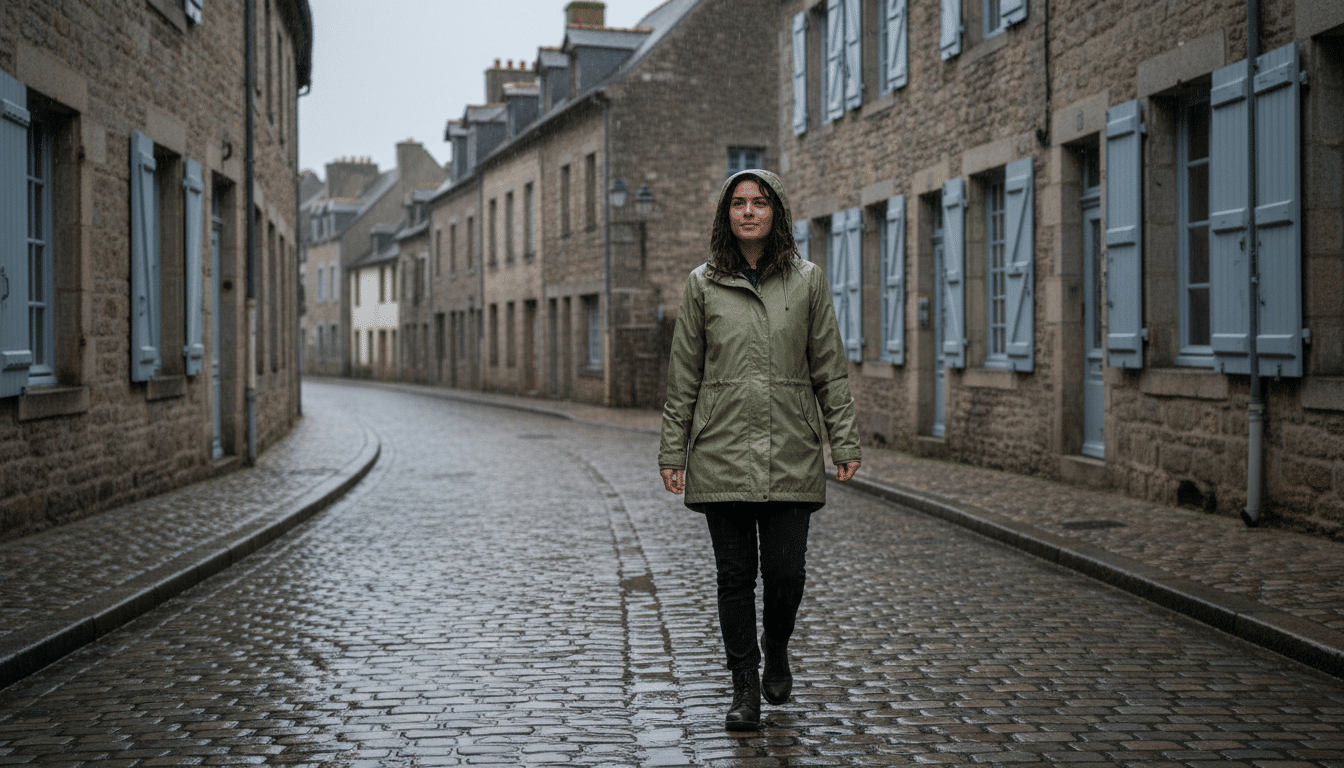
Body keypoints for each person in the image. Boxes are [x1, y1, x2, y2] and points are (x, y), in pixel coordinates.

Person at [658, 169, 861, 731]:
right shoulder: (701, 284)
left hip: (791, 449)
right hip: (720, 449)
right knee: (734, 577)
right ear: (727, 215)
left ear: (778, 213)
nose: (749, 212)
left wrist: (843, 439)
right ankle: (743, 685)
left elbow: (829, 368)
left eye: (760, 203)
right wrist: (673, 453)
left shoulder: (808, 281)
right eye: (739, 204)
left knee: (786, 573)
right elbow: (684, 378)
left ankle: (777, 646)